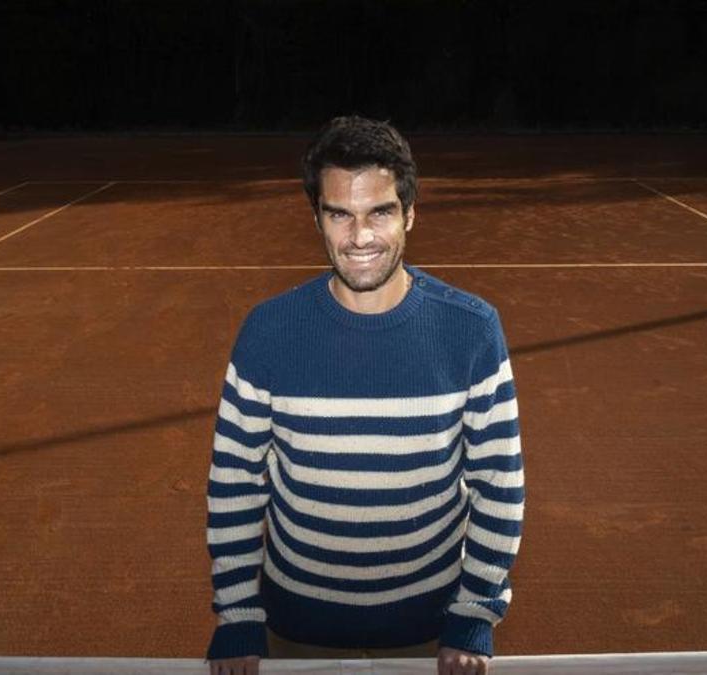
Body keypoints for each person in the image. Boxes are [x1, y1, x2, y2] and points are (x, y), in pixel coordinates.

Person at [204, 116, 525, 675]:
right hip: (295, 634)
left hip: (429, 637)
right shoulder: (268, 331)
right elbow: (234, 484)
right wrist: (237, 618)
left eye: (380, 211)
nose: (359, 237)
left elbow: (499, 483)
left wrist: (473, 614)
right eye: (339, 214)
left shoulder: (472, 329)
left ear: (410, 214)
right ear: (318, 219)